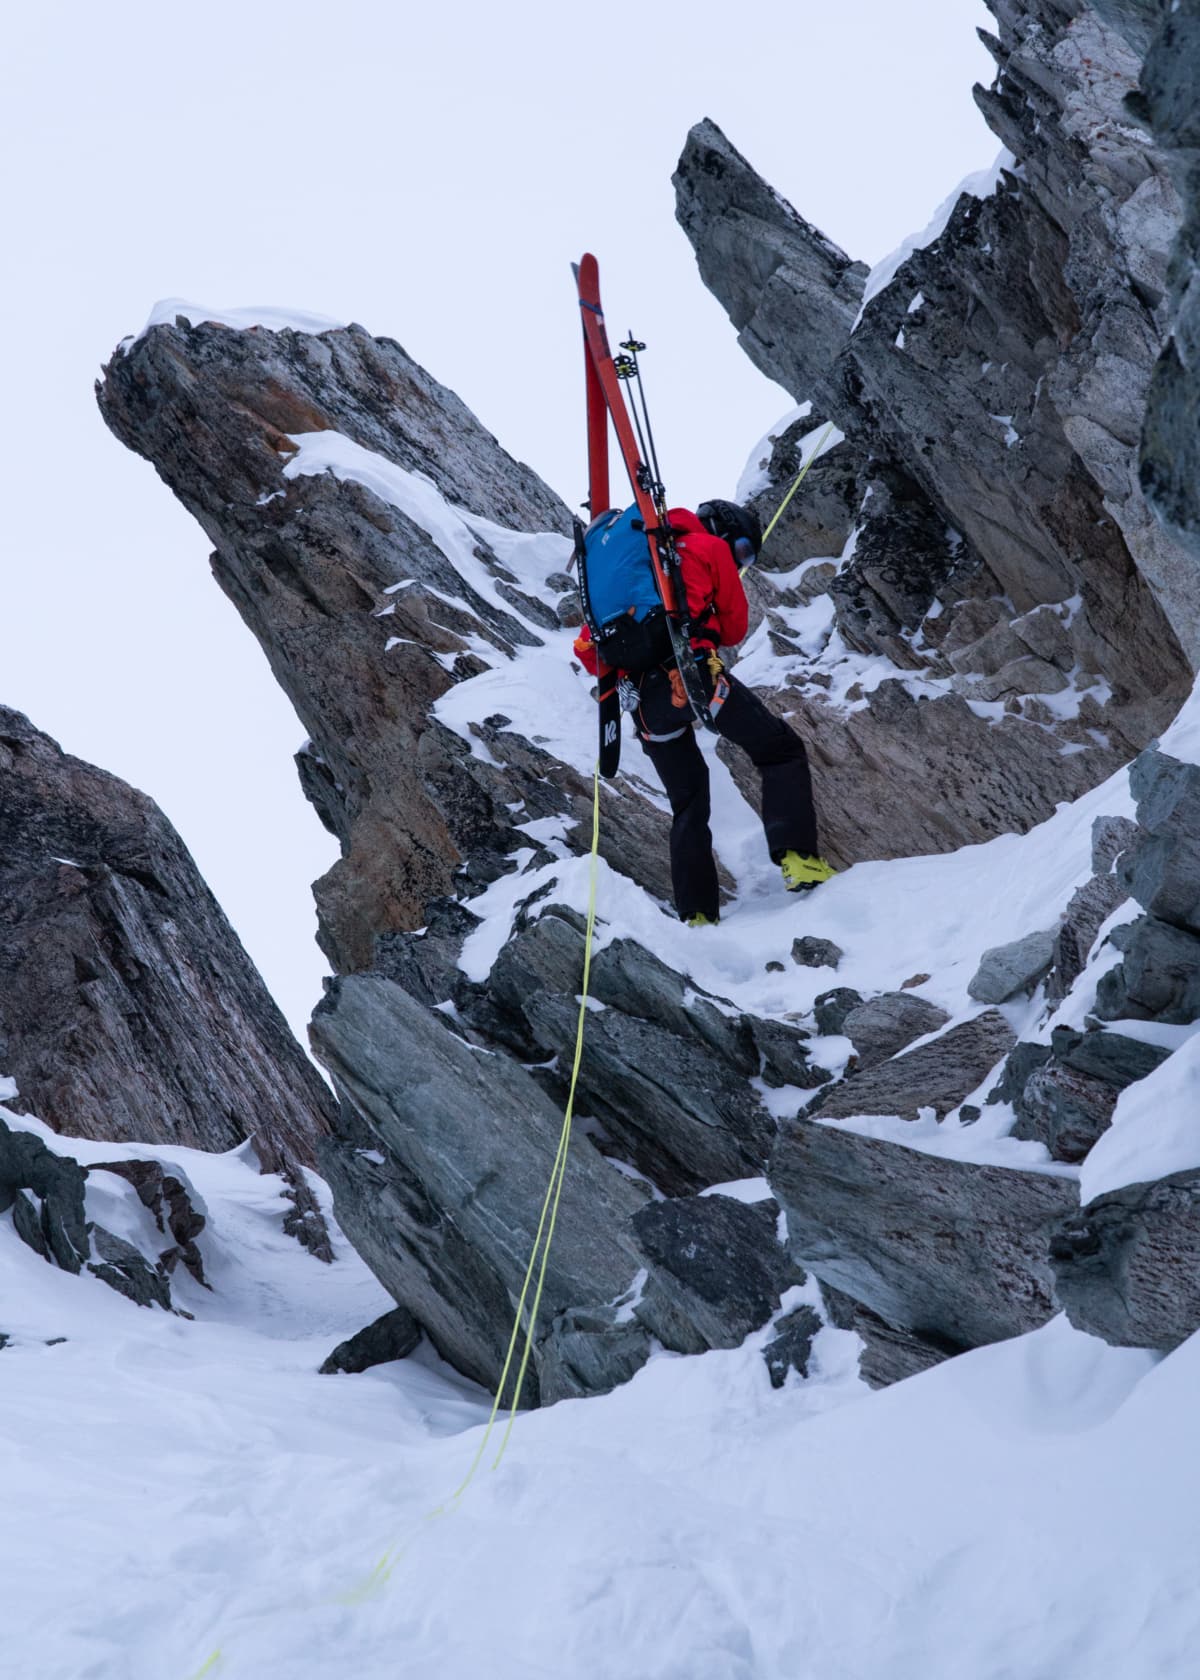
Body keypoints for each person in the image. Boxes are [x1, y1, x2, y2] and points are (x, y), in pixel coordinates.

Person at [573, 497, 835, 926]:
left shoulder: (642, 558)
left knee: (688, 802)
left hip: (646, 706)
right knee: (779, 749)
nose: (741, 560)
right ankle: (798, 858)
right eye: (744, 549)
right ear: (725, 530)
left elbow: (588, 651)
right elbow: (733, 629)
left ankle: (696, 914)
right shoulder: (707, 547)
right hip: (695, 678)